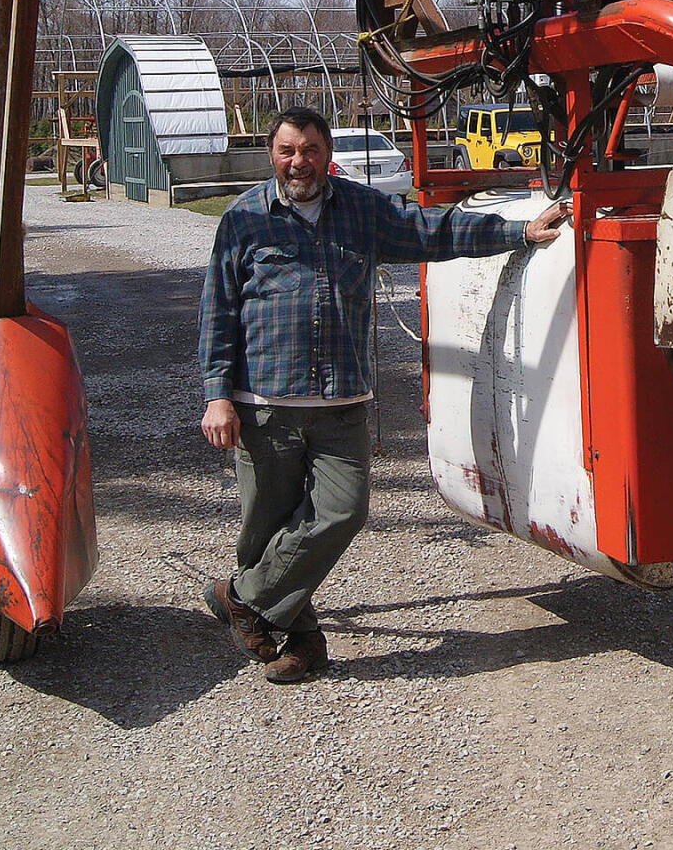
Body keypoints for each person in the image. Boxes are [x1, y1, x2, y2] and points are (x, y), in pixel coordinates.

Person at [199, 105, 566, 682]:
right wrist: (217, 395)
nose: (300, 162)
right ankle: (303, 644)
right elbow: (218, 310)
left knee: (342, 512)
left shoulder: (361, 211)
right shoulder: (244, 220)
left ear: (328, 155)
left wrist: (516, 230)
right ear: (272, 154)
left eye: (311, 150)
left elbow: (434, 229)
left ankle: (241, 596)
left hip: (341, 402)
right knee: (268, 527)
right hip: (265, 404)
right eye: (288, 150)